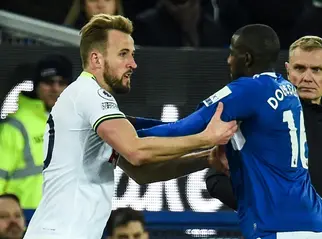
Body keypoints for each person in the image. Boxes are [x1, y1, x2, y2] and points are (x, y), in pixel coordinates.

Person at [22, 14, 237, 239]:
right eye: (123, 54)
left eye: (132, 55)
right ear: (96, 59)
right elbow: (137, 151)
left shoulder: (84, 99)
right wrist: (207, 137)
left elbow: (142, 173)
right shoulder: (89, 95)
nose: (133, 64)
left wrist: (205, 158)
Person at [134, 24, 322, 239]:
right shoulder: (285, 88)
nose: (228, 60)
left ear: (246, 58)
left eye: (232, 52)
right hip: (319, 223)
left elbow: (180, 129)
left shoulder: (247, 90)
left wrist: (119, 129)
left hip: (281, 227)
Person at [205, 35, 322, 239]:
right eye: (299, 68)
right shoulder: (260, 116)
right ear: (287, 70)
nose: (307, 77)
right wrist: (262, 207)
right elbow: (216, 178)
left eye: (317, 70)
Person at [0, 55, 73, 210]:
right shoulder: (15, 127)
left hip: (65, 218)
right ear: (36, 85)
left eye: (62, 82)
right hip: (22, 220)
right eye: (49, 82)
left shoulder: (76, 123)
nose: (55, 88)